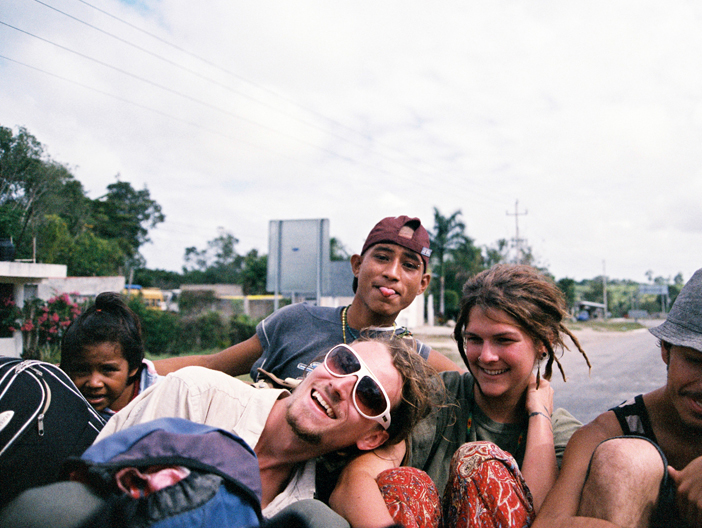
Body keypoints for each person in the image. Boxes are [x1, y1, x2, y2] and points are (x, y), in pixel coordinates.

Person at [534, 265, 702, 528]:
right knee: (624, 460)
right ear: (666, 350)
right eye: (696, 361)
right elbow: (548, 523)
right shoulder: (606, 432)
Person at [330, 264, 592, 528]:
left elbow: (538, 518)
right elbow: (354, 481)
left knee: (481, 464)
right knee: (403, 484)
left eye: (504, 340)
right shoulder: (437, 397)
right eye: (475, 339)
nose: (486, 356)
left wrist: (539, 416)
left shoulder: (563, 433)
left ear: (542, 343)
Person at [96, 336, 439, 524]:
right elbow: (85, 491)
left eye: (368, 394)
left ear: (371, 437)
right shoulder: (196, 398)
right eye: (344, 362)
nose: (339, 385)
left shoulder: (308, 507)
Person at [153, 215, 460, 382]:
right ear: (357, 264)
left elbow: (481, 389)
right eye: (382, 257)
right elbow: (211, 364)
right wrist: (135, 372)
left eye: (409, 265)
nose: (392, 273)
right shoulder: (296, 322)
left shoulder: (417, 360)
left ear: (423, 284)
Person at [60, 292, 160, 421]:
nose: (94, 383)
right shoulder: (61, 405)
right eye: (81, 370)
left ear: (134, 366)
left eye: (108, 369)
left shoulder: (162, 397)